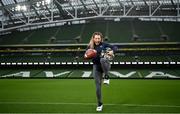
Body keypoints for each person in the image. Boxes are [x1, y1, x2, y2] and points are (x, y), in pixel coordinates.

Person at [86, 32, 116, 111]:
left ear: (101, 38)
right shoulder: (90, 46)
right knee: (97, 88)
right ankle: (99, 103)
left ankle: (106, 76)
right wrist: (87, 55)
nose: (97, 40)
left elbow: (115, 47)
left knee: (102, 59)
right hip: (96, 67)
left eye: (99, 38)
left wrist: (112, 51)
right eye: (96, 38)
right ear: (93, 38)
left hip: (106, 65)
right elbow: (86, 56)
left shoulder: (104, 44)